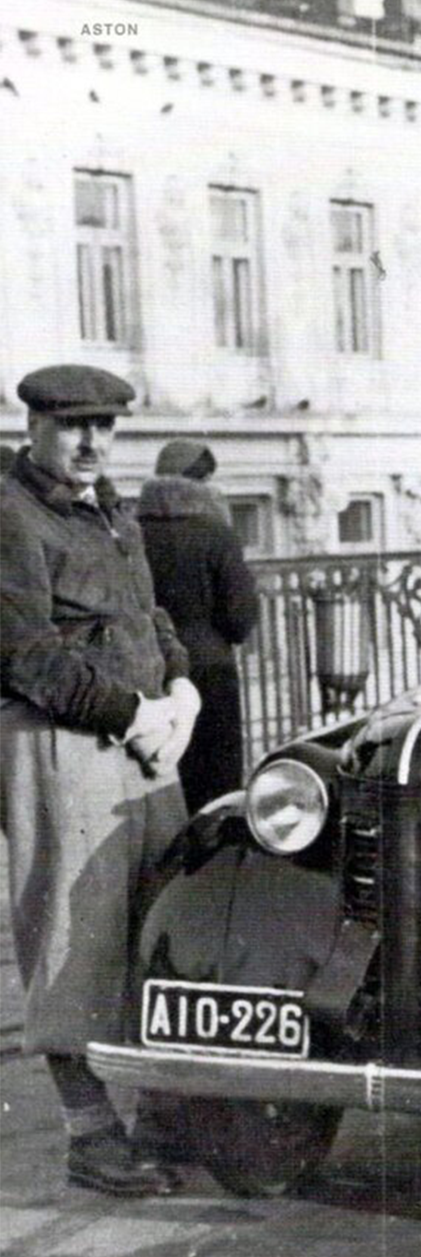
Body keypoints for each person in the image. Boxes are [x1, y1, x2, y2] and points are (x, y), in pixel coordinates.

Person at [0, 365, 200, 1196]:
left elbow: (148, 615)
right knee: (72, 932)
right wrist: (133, 712)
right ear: (34, 428)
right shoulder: (10, 513)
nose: (91, 443)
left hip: (142, 737)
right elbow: (26, 654)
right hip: (60, 739)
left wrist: (180, 683)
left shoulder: (111, 510)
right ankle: (90, 1132)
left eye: (105, 427)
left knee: (164, 917)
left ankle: (162, 1114)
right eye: (73, 426)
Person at [137, 438, 258, 813]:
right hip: (211, 672)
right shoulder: (216, 532)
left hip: (151, 672)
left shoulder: (132, 530)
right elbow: (239, 620)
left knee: (160, 780)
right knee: (217, 789)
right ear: (202, 482)